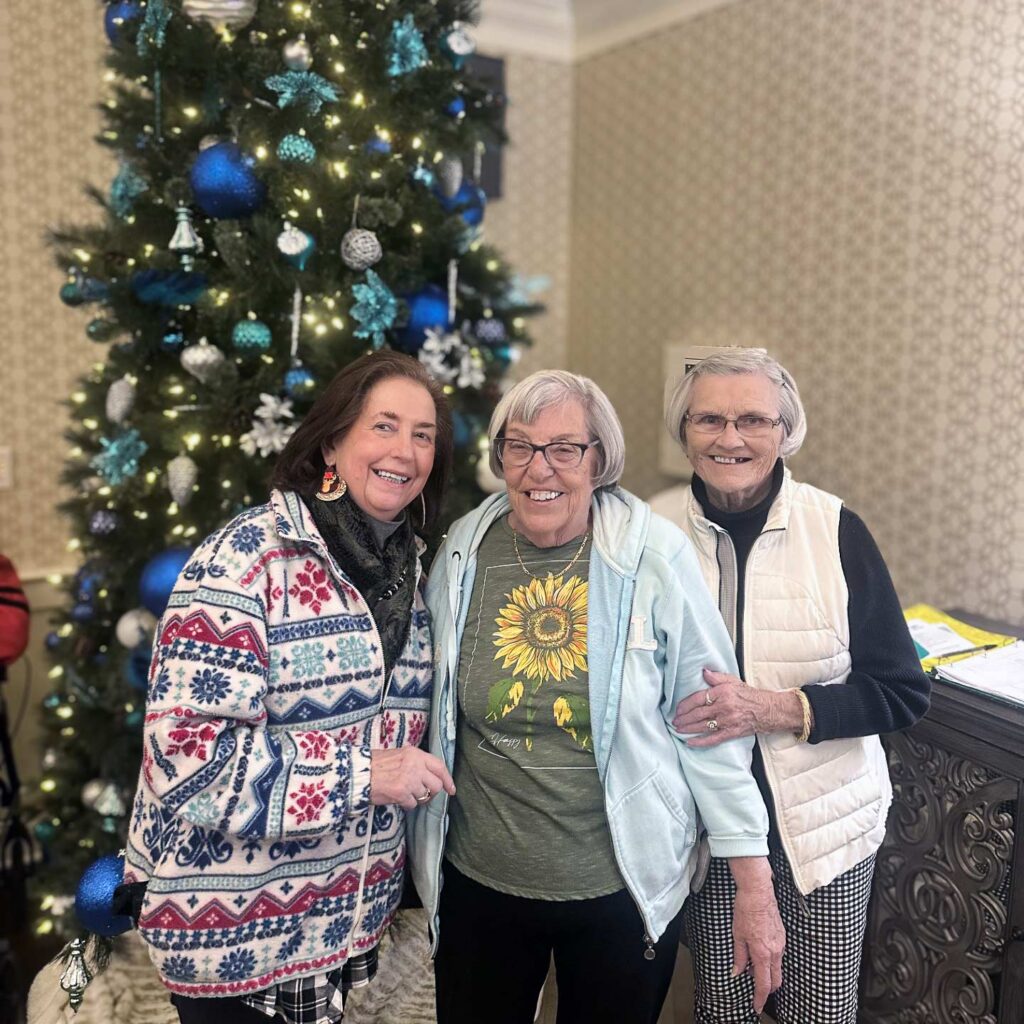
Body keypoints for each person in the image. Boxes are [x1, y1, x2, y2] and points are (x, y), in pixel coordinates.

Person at [408, 370, 785, 1024]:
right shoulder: (467, 548)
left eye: (564, 448)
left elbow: (711, 724)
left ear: (599, 459)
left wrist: (754, 883)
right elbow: (427, 700)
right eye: (518, 447)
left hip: (619, 890)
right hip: (479, 883)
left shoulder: (652, 558)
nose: (538, 469)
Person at [122, 351, 456, 1024]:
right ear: (332, 441)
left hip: (339, 928)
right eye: (383, 426)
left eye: (423, 435)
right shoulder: (246, 559)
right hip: (230, 933)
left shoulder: (413, 572)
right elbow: (187, 759)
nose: (406, 451)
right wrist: (363, 776)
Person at [662, 349, 931, 1024]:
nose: (731, 439)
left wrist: (777, 707)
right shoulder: (652, 530)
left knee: (818, 1012)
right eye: (710, 420)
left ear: (785, 430)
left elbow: (901, 690)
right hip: (710, 833)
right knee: (724, 1007)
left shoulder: (835, 528)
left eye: (753, 419)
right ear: (684, 430)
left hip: (824, 833)